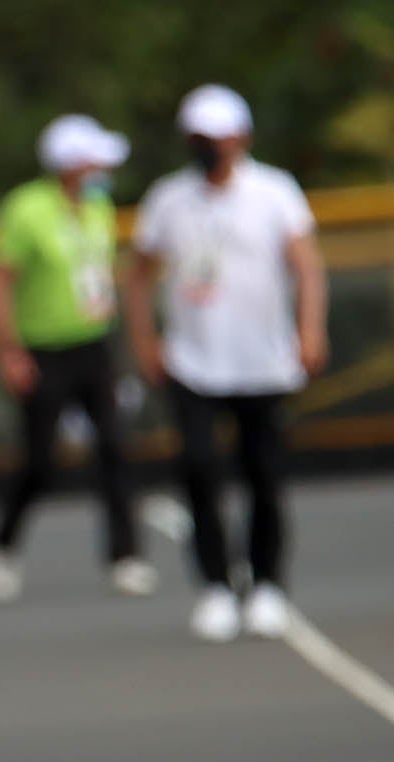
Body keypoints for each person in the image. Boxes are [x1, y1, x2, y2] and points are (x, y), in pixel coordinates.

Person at [124, 84, 329, 643]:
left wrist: (310, 328)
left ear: (240, 138)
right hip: (193, 361)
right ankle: (216, 585)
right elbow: (138, 273)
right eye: (197, 138)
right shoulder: (169, 198)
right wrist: (146, 340)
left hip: (264, 360)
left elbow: (306, 265)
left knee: (263, 474)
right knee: (198, 469)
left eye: (215, 138)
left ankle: (267, 584)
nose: (206, 148)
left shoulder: (275, 192)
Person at [0, 114, 158, 602]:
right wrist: (10, 351)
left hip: (94, 343)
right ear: (71, 164)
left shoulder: (97, 205)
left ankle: (125, 555)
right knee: (40, 461)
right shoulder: (27, 209)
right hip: (44, 350)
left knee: (115, 448)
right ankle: (3, 544)